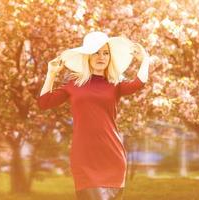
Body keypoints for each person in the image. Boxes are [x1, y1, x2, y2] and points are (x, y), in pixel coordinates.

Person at [38, 31, 150, 200]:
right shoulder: (74, 83)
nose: (101, 57)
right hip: (84, 157)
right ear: (87, 56)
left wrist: (145, 60)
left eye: (106, 53)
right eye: (96, 52)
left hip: (112, 156)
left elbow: (138, 83)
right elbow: (45, 102)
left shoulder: (115, 83)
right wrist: (51, 73)